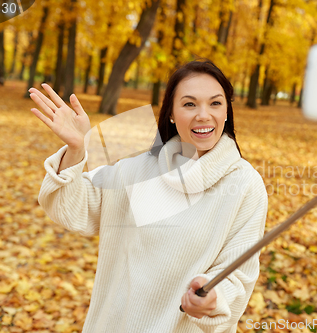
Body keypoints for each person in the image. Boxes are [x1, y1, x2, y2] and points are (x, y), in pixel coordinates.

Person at [28, 59, 268, 333]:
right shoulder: (138, 169)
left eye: (215, 103)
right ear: (171, 113)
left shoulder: (244, 184)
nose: (204, 115)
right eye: (189, 104)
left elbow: (239, 276)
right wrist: (75, 149)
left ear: (227, 111)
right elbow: (70, 207)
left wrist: (214, 300)